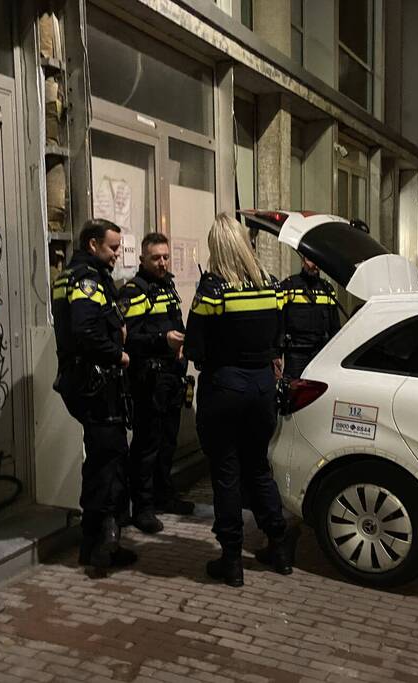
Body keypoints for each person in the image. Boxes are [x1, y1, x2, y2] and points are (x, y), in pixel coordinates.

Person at [184, 213, 292, 587]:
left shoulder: (213, 290)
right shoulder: (271, 285)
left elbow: (194, 346)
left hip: (225, 389)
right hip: (262, 389)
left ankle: (231, 560)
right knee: (259, 468)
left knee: (226, 473)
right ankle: (279, 547)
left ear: (217, 248)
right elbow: (279, 335)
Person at [51, 219, 135, 575]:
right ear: (92, 245)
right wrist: (118, 355)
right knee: (109, 460)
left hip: (84, 381)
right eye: (112, 247)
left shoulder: (70, 276)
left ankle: (91, 543)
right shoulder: (87, 279)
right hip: (96, 383)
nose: (117, 254)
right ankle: (103, 545)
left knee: (100, 458)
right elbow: (85, 329)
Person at [118, 233, 195, 535]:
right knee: (147, 446)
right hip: (148, 381)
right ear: (142, 259)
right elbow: (130, 340)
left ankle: (165, 495)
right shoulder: (133, 292)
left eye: (165, 256)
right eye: (156, 258)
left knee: (168, 442)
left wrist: (182, 345)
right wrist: (163, 340)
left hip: (171, 378)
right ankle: (143, 507)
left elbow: (177, 325)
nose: (162, 262)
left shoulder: (168, 287)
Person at [279, 257, 341, 379]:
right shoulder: (289, 286)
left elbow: (335, 326)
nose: (315, 265)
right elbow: (279, 323)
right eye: (310, 260)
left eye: (317, 262)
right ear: (303, 261)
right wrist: (276, 354)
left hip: (320, 353)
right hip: (296, 353)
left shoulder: (327, 289)